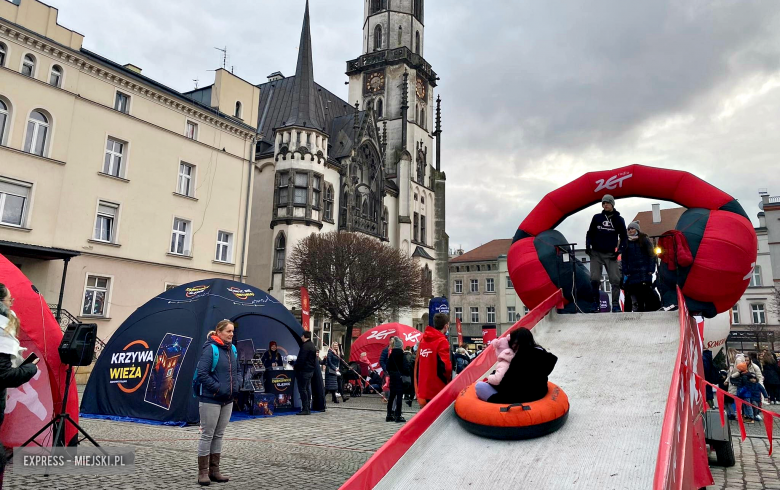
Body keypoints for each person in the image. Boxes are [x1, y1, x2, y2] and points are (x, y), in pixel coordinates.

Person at [0, 284, 39, 487]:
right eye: (9, 300)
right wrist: (30, 368)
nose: (12, 304)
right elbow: (4, 375)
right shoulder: (1, 329)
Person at [195, 320, 239, 485]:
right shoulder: (210, 349)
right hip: (211, 399)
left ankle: (215, 470)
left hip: (227, 400)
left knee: (219, 434)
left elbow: (237, 370)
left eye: (233, 331)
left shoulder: (232, 350)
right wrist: (218, 389)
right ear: (218, 331)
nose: (231, 334)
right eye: (228, 331)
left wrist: (237, 386)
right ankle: (203, 472)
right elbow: (202, 373)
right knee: (207, 434)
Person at [476, 329, 557, 404]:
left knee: (479, 386)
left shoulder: (520, 357)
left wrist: (491, 381)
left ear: (516, 343)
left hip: (519, 398)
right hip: (539, 393)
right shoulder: (543, 353)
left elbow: (506, 385)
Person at [586, 194, 628, 312]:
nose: (605, 205)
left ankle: (615, 305)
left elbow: (624, 237)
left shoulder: (619, 220)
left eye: (608, 203)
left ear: (612, 204)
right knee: (594, 278)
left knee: (615, 279)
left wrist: (619, 251)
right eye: (603, 203)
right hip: (596, 253)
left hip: (610, 254)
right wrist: (588, 246)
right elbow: (590, 233)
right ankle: (595, 303)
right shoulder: (597, 218)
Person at [416, 313, 452, 407]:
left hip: (423, 388)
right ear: (446, 326)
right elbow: (446, 367)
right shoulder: (442, 341)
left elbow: (417, 363)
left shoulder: (423, 340)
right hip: (437, 388)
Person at [622, 221, 658, 312]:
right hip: (633, 273)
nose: (630, 230)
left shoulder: (644, 239)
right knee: (636, 294)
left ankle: (648, 312)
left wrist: (651, 269)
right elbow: (624, 258)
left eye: (632, 228)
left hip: (644, 272)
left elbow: (652, 255)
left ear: (637, 229)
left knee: (646, 293)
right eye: (629, 229)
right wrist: (626, 270)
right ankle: (638, 313)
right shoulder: (626, 242)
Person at [385, 337, 409, 422]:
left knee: (391, 396)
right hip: (399, 377)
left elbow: (387, 366)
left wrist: (391, 372)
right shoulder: (402, 355)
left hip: (392, 377)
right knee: (399, 396)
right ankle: (398, 415)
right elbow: (406, 367)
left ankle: (388, 415)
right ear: (401, 345)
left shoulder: (391, 354)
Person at [294, 331, 317, 416]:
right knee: (307, 388)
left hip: (304, 371)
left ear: (304, 336)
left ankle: (305, 408)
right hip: (310, 370)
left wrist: (296, 367)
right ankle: (307, 407)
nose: (301, 337)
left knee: (303, 389)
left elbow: (301, 359)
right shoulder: (312, 345)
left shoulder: (305, 346)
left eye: (302, 336)